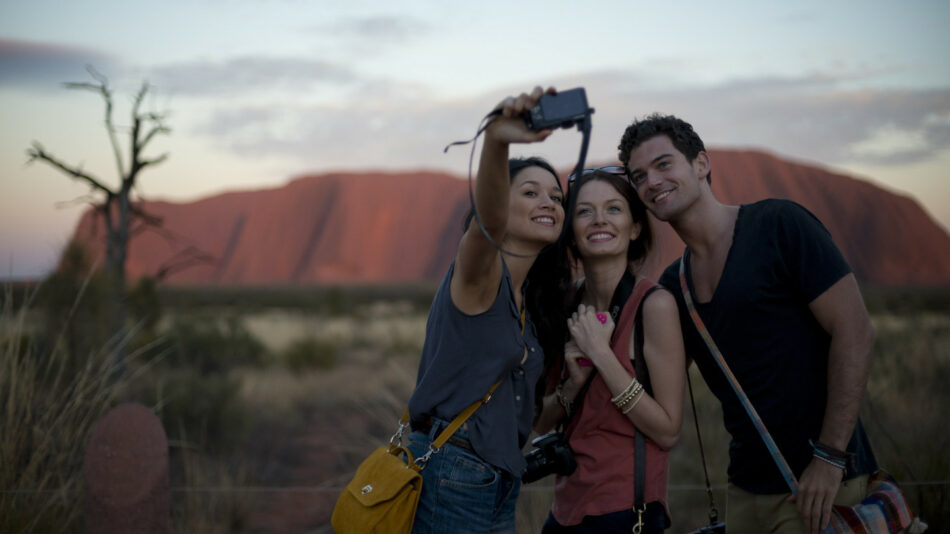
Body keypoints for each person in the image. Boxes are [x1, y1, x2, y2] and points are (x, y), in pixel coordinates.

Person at [617, 114, 878, 534]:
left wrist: (830, 459)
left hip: (820, 485)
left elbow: (856, 331)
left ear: (701, 164)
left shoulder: (778, 225)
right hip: (744, 492)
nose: (652, 181)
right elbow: (654, 391)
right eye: (639, 176)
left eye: (664, 164)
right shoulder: (672, 286)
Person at [405, 87, 566, 534]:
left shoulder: (528, 311)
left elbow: (519, 421)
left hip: (499, 485)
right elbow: (488, 225)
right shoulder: (477, 278)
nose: (548, 202)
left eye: (556, 197)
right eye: (531, 192)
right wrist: (498, 141)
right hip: (452, 474)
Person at [533, 167, 686, 533]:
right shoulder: (564, 303)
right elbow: (539, 422)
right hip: (565, 510)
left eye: (614, 209)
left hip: (626, 512)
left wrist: (602, 355)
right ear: (570, 233)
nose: (600, 219)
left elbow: (667, 431)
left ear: (635, 228)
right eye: (585, 211)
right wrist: (572, 385)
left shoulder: (654, 305)